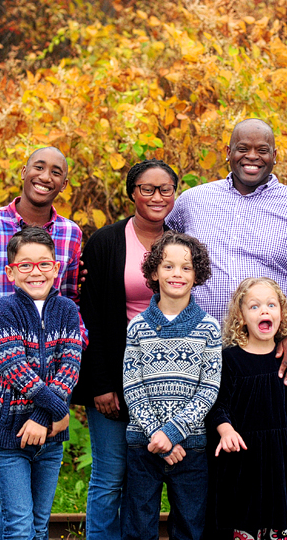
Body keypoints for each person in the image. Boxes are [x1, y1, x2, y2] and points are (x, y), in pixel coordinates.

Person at [0, 147, 83, 540]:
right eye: (39, 167)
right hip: (1, 378)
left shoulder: (70, 234)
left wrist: (68, 359)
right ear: (24, 171)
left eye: (56, 171)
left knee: (38, 495)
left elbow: (72, 299)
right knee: (0, 479)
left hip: (55, 373)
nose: (45, 176)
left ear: (64, 182)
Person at [166, 118, 287, 386]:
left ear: (275, 156)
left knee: (268, 428)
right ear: (228, 152)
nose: (252, 156)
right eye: (243, 148)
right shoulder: (192, 202)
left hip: (273, 355)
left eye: (262, 150)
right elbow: (162, 259)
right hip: (196, 352)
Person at [72, 159, 179, 540]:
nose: (156, 197)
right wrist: (100, 383)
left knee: (147, 475)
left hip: (167, 380)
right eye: (147, 189)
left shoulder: (181, 241)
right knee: (110, 474)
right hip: (115, 378)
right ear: (132, 192)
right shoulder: (106, 242)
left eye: (165, 189)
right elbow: (91, 317)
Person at [121, 231, 223, 540]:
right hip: (144, 444)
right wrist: (156, 433)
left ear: (197, 274)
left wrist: (173, 433)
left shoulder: (209, 327)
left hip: (190, 446)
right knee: (139, 527)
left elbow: (209, 388)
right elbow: (132, 386)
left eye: (186, 267)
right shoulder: (138, 326)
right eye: (168, 266)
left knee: (190, 527)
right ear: (153, 272)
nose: (177, 273)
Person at [0, 226, 84, 540]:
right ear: (11, 272)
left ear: (56, 269)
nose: (35, 272)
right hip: (10, 437)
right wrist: (59, 410)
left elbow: (70, 368)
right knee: (19, 526)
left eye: (44, 264)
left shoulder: (67, 310)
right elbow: (15, 368)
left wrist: (46, 417)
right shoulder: (4, 310)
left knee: (40, 526)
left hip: (51, 438)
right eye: (25, 265)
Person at [208, 277, 287, 540]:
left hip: (281, 462)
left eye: (271, 305)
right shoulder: (230, 359)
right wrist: (225, 431)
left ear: (282, 313)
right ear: (241, 316)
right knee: (242, 522)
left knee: (280, 524)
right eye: (255, 306)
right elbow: (218, 406)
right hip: (242, 462)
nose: (264, 311)